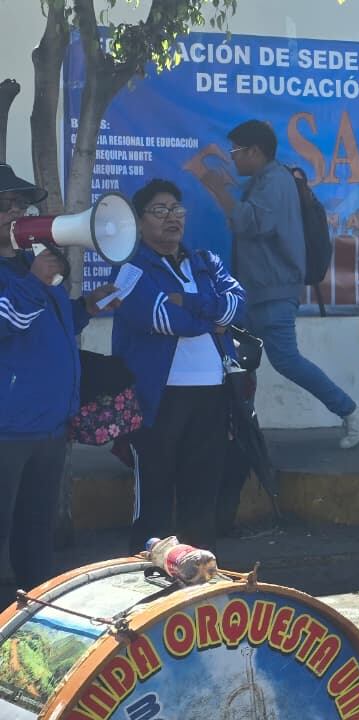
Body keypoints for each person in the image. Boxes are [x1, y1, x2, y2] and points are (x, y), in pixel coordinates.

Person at [207, 119, 359, 449]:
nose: (233, 158)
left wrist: (218, 190)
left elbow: (249, 222)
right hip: (257, 292)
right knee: (237, 360)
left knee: (285, 360)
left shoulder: (275, 181)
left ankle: (351, 410)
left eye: (236, 151)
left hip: (273, 290)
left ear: (256, 151)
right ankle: (237, 428)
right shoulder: (266, 181)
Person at [0, 164, 117, 589]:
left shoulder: (32, 267)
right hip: (7, 429)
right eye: (4, 205)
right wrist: (35, 283)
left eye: (19, 204)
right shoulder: (31, 275)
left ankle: (31, 622)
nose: (15, 212)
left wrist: (86, 308)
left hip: (46, 427)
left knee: (34, 535)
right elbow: (6, 322)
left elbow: (48, 327)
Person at [112, 179, 246, 551]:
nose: (171, 217)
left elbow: (237, 304)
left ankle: (198, 578)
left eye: (176, 209)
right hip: (157, 402)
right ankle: (145, 579)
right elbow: (167, 321)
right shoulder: (130, 269)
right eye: (159, 210)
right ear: (138, 223)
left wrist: (185, 301)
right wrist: (208, 312)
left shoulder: (206, 261)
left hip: (213, 396)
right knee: (153, 497)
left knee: (201, 494)